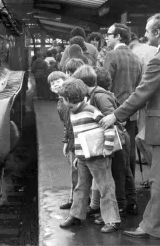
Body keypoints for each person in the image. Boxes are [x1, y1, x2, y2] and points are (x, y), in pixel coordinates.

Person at [99, 13, 160, 239]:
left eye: (148, 31)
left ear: (158, 32)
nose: (145, 35)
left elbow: (142, 93)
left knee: (158, 180)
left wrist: (116, 116)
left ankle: (150, 227)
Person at [72, 65, 137, 219]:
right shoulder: (97, 94)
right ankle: (129, 204)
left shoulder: (100, 96)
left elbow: (111, 120)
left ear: (82, 83)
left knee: (118, 174)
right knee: (122, 172)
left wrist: (107, 145)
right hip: (116, 138)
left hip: (117, 139)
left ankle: (121, 206)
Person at [59, 78, 121, 233]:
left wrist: (107, 148)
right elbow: (79, 135)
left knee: (105, 187)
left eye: (63, 99)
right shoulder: (73, 112)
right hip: (83, 158)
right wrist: (78, 157)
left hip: (98, 157)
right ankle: (76, 215)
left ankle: (112, 220)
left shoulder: (91, 111)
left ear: (68, 100)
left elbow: (109, 127)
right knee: (81, 187)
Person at [104, 23, 142, 177]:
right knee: (130, 147)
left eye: (109, 34)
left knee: (116, 148)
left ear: (118, 36)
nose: (106, 37)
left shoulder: (111, 55)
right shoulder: (135, 57)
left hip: (113, 111)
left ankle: (118, 187)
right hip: (132, 111)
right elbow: (139, 86)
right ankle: (130, 183)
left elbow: (106, 84)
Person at [47, 71, 76, 209]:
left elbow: (72, 123)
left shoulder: (69, 99)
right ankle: (74, 199)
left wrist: (70, 141)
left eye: (57, 81)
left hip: (76, 139)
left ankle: (75, 201)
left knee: (76, 171)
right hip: (71, 139)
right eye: (52, 83)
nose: (55, 85)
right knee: (74, 170)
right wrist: (65, 141)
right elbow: (66, 124)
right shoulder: (61, 101)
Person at [129, 32, 157, 166]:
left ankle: (154, 169)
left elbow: (137, 79)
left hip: (144, 98)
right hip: (158, 99)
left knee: (142, 137)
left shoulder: (134, 53)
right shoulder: (155, 49)